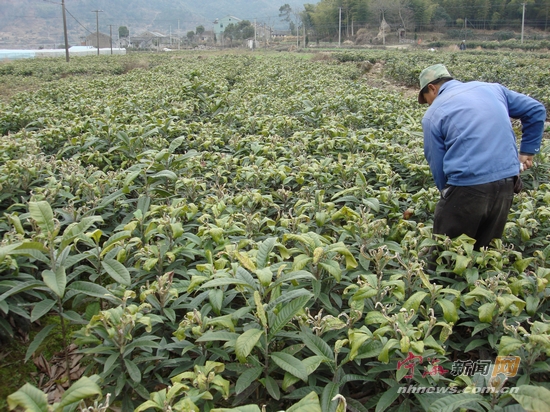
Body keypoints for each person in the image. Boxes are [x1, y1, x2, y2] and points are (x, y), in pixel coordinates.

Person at [418, 63, 546, 250]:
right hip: (507, 182)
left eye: (427, 99)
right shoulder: (492, 89)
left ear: (432, 88)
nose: (429, 104)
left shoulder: (433, 113)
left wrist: (447, 195)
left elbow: (436, 162)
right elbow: (536, 110)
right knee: (485, 251)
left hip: (468, 187)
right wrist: (527, 151)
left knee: (447, 254)